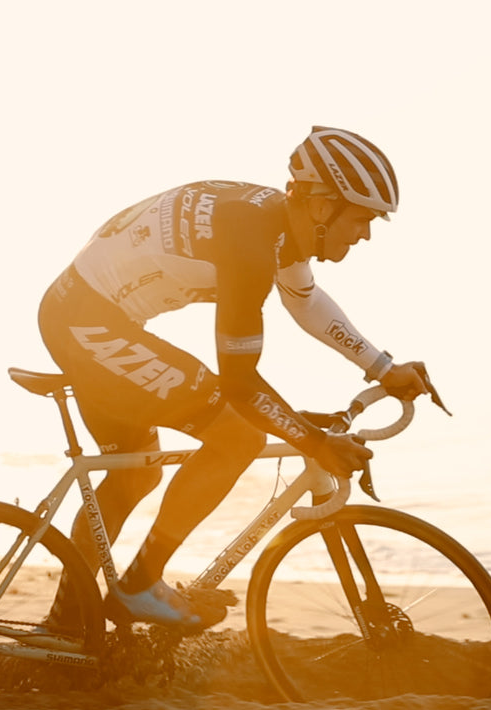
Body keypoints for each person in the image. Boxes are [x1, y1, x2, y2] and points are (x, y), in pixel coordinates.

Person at [37, 126, 430, 630]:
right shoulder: (249, 247)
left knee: (135, 473)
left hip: (78, 311)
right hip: (85, 322)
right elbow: (240, 385)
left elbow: (306, 301)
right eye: (361, 218)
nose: (366, 233)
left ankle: (66, 623)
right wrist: (313, 442)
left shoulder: (273, 220)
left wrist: (382, 368)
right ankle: (138, 584)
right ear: (320, 205)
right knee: (238, 435)